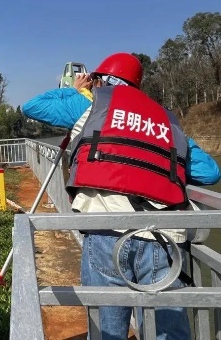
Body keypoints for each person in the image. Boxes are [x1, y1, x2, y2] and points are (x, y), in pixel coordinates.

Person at [22, 52, 221, 340]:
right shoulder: (165, 119)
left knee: (107, 332)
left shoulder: (92, 104)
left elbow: (33, 106)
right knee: (167, 333)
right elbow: (210, 172)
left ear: (100, 80)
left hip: (106, 233)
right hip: (164, 239)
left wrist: (77, 90)